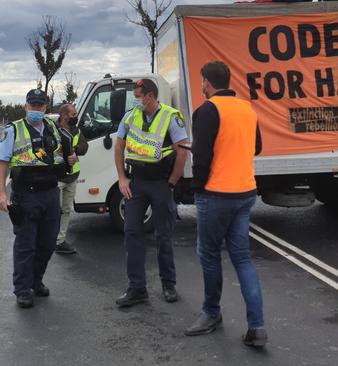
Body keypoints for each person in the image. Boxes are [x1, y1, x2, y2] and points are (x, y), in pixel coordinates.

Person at [183, 61, 267, 347]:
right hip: (245, 193)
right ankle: (257, 327)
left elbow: (203, 159)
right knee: (242, 258)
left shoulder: (207, 111)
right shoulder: (247, 109)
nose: (202, 86)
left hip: (216, 195)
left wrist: (197, 188)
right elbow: (256, 148)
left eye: (202, 82)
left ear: (206, 82)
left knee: (208, 254)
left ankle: (211, 313)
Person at [0, 89, 76, 308]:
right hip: (25, 195)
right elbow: (1, 162)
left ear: (46, 108)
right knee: (25, 245)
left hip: (50, 193)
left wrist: (71, 158)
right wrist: (2, 193)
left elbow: (61, 157)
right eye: (33, 105)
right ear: (25, 107)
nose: (36, 109)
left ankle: (36, 280)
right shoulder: (13, 130)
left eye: (40, 106)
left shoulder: (53, 129)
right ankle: (22, 289)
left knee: (48, 243)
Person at [114, 78, 189, 307]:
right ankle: (137, 288)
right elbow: (119, 146)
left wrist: (172, 183)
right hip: (136, 183)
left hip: (160, 183)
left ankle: (169, 284)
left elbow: (182, 150)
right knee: (132, 232)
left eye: (138, 95)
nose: (135, 99)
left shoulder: (170, 116)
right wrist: (122, 178)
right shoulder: (130, 116)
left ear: (150, 95)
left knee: (163, 234)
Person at [54, 103, 88, 254]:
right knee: (53, 210)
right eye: (73, 115)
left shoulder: (77, 131)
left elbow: (84, 146)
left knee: (67, 209)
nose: (76, 117)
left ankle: (60, 241)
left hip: (72, 176)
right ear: (63, 116)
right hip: (57, 177)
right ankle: (48, 238)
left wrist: (75, 151)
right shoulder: (53, 131)